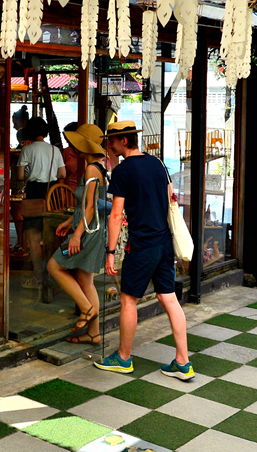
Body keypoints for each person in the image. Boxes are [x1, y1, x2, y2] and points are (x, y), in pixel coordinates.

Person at [95, 120, 194, 381]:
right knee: (169, 298)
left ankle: (123, 358)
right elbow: (171, 197)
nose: (109, 146)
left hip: (141, 245)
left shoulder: (123, 171)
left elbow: (116, 215)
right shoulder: (157, 163)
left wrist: (110, 252)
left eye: (111, 141)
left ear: (124, 141)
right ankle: (183, 361)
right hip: (164, 243)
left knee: (129, 300)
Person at [47, 124, 109, 345]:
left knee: (54, 266)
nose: (73, 147)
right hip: (93, 230)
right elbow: (88, 205)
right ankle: (94, 333)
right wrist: (69, 222)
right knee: (85, 280)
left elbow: (90, 207)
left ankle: (86, 309)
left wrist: (76, 235)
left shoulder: (92, 169)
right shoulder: (99, 166)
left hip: (87, 233)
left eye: (77, 143)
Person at [16, 116, 65, 290]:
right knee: (52, 238)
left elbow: (20, 176)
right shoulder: (54, 150)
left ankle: (38, 278)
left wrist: (31, 173)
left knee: (34, 240)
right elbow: (62, 174)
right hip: (52, 195)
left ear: (29, 132)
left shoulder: (27, 150)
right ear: (45, 132)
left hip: (34, 193)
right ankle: (54, 275)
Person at [61, 122, 80, 189]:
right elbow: (62, 175)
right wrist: (62, 192)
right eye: (66, 139)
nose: (67, 141)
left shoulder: (89, 152)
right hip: (68, 190)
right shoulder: (67, 152)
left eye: (68, 138)